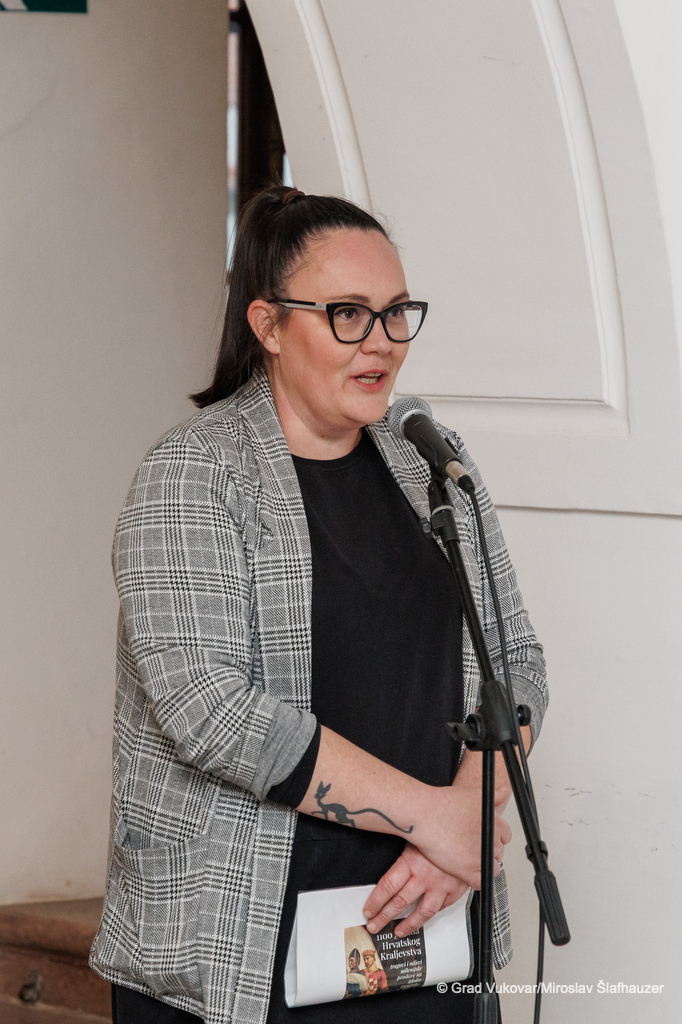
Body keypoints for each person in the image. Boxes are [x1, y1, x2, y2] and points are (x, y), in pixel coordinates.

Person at [90, 185, 547, 1024]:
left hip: (431, 923)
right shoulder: (195, 473)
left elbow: (515, 660)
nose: (381, 342)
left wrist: (463, 824)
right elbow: (211, 710)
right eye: (347, 314)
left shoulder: (430, 463)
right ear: (268, 325)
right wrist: (437, 821)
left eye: (395, 312)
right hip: (244, 950)